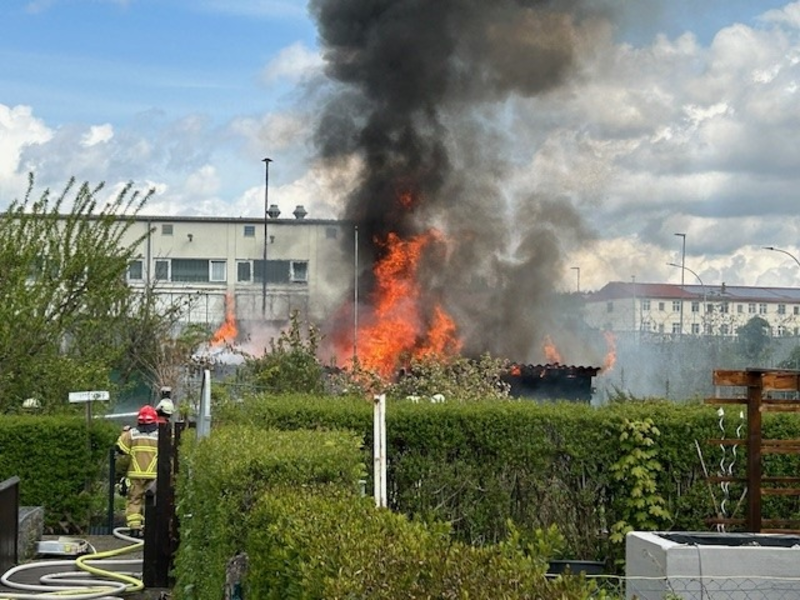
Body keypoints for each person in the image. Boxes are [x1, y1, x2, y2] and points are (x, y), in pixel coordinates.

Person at [116, 405, 159, 537]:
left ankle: (135, 529)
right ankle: (151, 530)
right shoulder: (161, 434)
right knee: (153, 502)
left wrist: (124, 432)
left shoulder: (132, 434)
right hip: (154, 476)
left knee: (134, 500)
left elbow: (120, 449)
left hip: (135, 474)